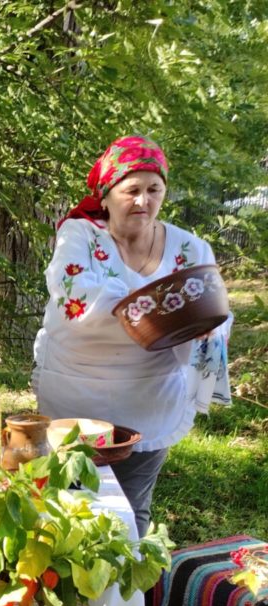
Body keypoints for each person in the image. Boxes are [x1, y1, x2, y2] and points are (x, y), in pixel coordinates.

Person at [32, 135, 229, 536]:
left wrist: (211, 326)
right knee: (71, 501)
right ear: (105, 196)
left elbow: (215, 305)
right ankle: (72, 593)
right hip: (76, 392)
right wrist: (162, 309)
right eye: (131, 190)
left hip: (149, 395)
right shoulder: (80, 235)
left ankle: (130, 598)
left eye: (153, 189)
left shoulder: (190, 248)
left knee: (133, 507)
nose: (143, 200)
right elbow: (72, 294)